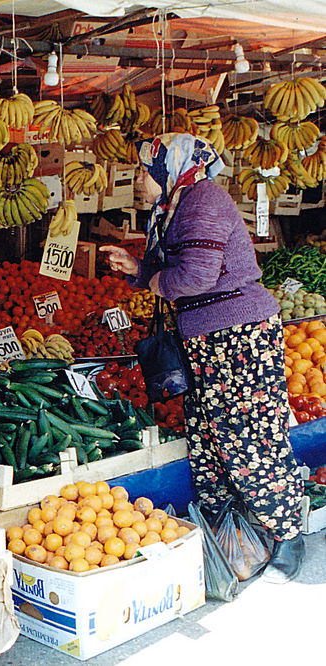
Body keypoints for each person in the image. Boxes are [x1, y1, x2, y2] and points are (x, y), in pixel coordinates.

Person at [99, 133, 304, 582]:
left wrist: (153, 282)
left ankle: (287, 533)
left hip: (238, 335)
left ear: (166, 170)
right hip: (206, 338)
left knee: (252, 436)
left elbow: (194, 277)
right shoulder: (175, 206)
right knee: (210, 436)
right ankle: (232, 534)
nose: (138, 180)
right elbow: (180, 272)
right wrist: (138, 270)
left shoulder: (204, 199)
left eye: (142, 171)